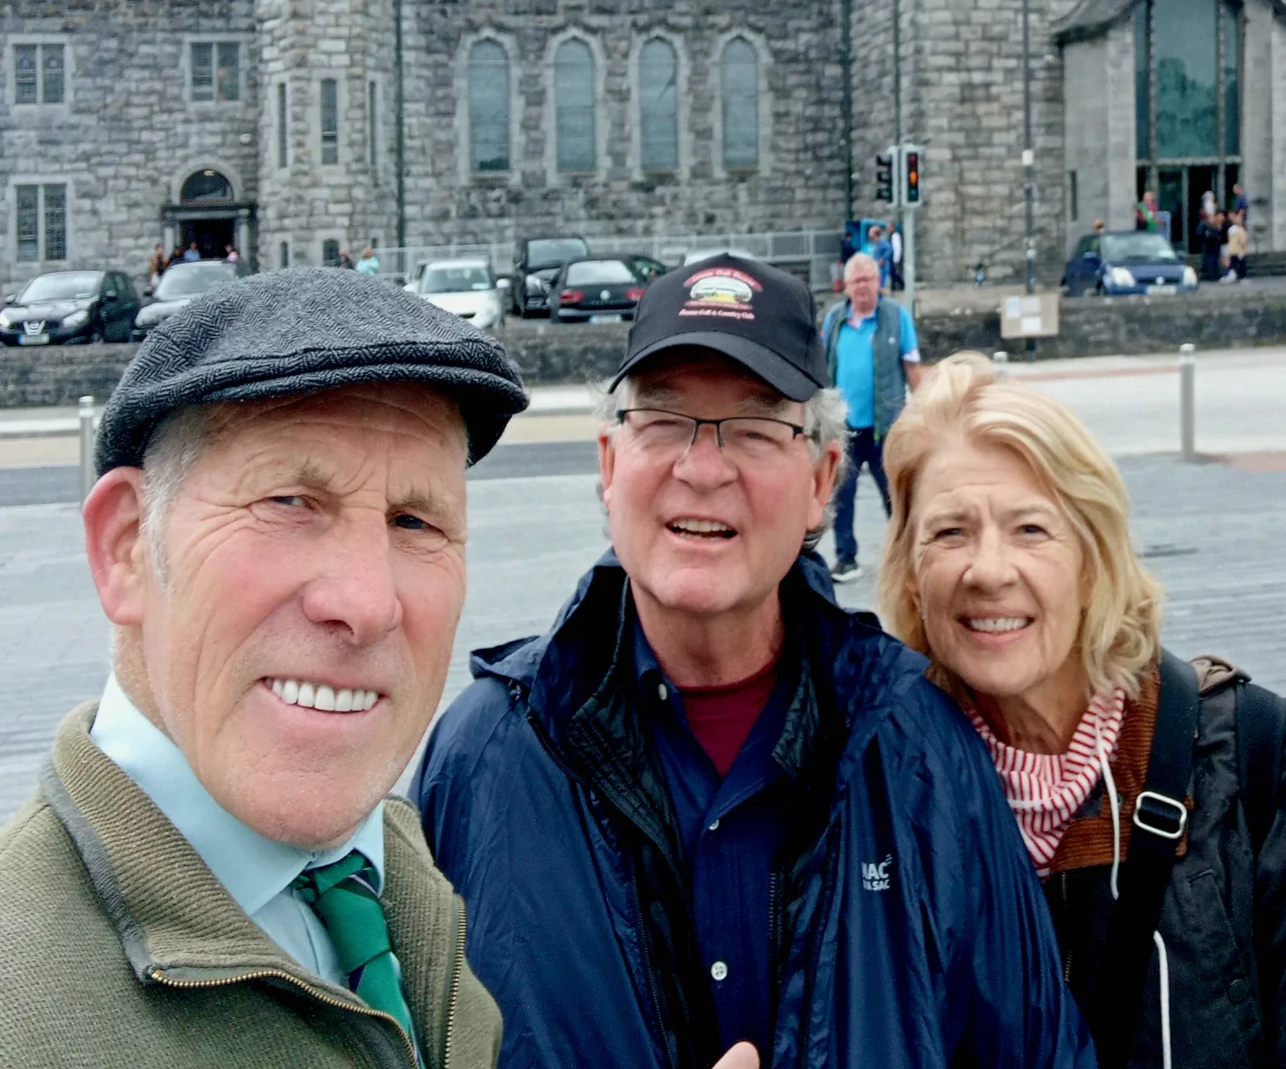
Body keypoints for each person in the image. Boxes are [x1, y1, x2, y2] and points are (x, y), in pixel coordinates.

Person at [413, 254, 1094, 1069]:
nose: (703, 469)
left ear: (822, 481)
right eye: (662, 422)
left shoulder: (920, 757)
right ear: (608, 466)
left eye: (754, 428)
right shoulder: (484, 762)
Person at [0, 268, 529, 1065]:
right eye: (288, 502)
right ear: (127, 549)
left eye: (414, 520)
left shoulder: (403, 879)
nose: (368, 602)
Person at [875, 355, 1286, 1069]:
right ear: (911, 569)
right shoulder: (876, 788)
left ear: (1093, 556)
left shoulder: (1254, 754)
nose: (990, 570)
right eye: (949, 533)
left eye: (1031, 529)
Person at [821, 251, 924, 582]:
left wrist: (925, 413)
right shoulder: (834, 321)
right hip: (845, 429)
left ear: (879, 283)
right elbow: (821, 371)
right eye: (857, 281)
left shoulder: (896, 317)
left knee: (896, 497)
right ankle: (846, 558)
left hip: (886, 428)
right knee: (842, 497)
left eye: (869, 280)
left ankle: (909, 558)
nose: (863, 286)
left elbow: (912, 367)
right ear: (846, 286)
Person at [1194, 208, 1224, 282]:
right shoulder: (1204, 223)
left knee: (1213, 260)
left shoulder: (1214, 224)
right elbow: (1199, 233)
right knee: (1209, 260)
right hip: (1208, 245)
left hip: (1213, 246)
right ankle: (1210, 274)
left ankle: (1212, 274)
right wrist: (1207, 236)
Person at [863, 221, 894, 287]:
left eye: (870, 232)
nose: (869, 233)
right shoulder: (873, 243)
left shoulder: (882, 242)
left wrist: (883, 259)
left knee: (881, 286)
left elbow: (889, 249)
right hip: (876, 268)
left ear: (875, 233)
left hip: (882, 269)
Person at [1223, 211, 1249, 283]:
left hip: (1233, 250)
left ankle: (1230, 275)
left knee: (1233, 264)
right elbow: (1242, 240)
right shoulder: (1239, 229)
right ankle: (1241, 277)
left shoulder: (1233, 229)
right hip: (1238, 250)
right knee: (1240, 264)